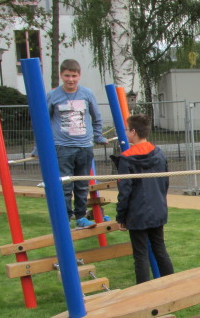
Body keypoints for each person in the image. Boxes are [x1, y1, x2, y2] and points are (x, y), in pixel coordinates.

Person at [39, 59, 109, 228]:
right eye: (67, 76)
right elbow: (44, 121)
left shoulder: (86, 94)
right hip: (62, 146)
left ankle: (80, 217)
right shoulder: (53, 95)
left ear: (79, 75)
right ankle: (64, 217)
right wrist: (38, 147)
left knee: (82, 185)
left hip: (84, 146)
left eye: (74, 76)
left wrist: (98, 137)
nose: (71, 79)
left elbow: (96, 117)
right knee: (64, 185)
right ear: (61, 75)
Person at [112, 114, 175, 284]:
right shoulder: (159, 153)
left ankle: (144, 293)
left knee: (140, 255)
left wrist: (121, 217)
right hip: (157, 209)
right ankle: (172, 285)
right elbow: (165, 183)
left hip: (137, 212)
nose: (125, 132)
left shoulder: (127, 158)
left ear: (133, 132)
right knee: (160, 250)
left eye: (126, 129)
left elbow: (124, 191)